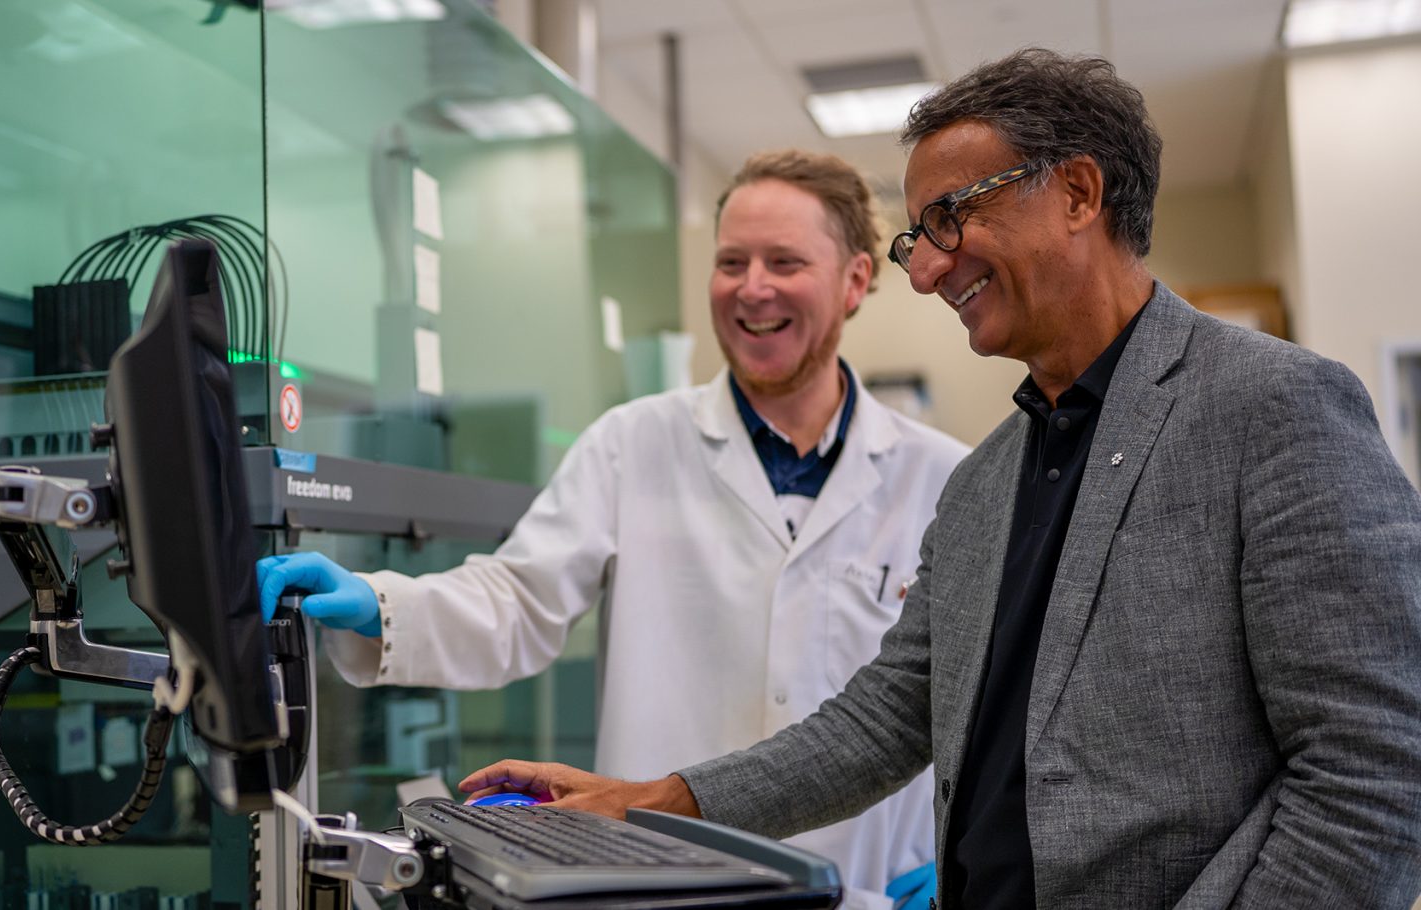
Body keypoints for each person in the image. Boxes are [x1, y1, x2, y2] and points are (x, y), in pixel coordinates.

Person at [458, 49, 1421, 909]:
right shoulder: (983, 482)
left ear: (1078, 192)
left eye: (951, 219)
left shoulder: (1269, 407)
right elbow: (888, 716)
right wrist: (651, 802)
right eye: (918, 237)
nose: (926, 272)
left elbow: (1379, 771)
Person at [258, 149, 971, 909]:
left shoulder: (943, 476)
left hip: (865, 886)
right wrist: (379, 604)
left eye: (784, 261)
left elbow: (964, 699)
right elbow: (518, 598)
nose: (752, 286)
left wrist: (955, 850)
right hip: (652, 877)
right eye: (731, 262)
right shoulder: (633, 443)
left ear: (855, 280)